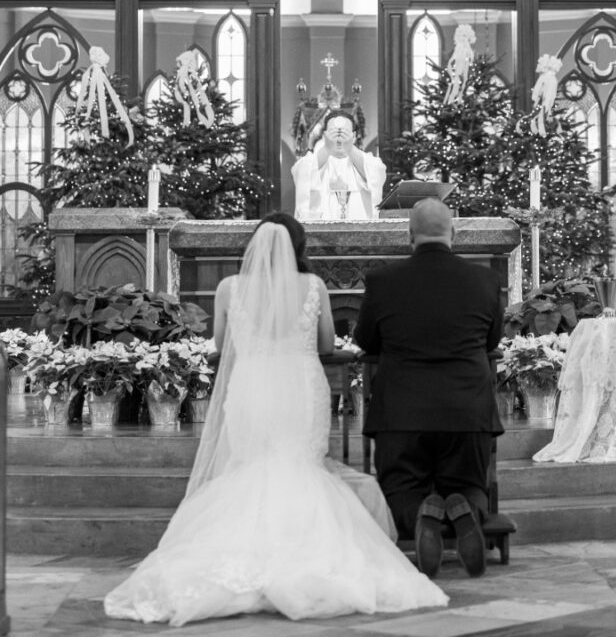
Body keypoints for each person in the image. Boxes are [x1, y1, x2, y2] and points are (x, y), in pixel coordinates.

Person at [104, 212, 446, 625]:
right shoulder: (314, 286)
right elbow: (324, 342)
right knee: (300, 466)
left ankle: (241, 562)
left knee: (252, 465)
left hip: (251, 385)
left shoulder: (230, 287)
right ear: (298, 247)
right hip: (301, 385)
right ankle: (308, 557)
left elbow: (220, 342)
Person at [354, 197, 504, 580]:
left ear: (409, 234)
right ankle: (466, 511)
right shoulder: (485, 280)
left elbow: (367, 341)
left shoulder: (382, 280)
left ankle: (421, 513)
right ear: (453, 232)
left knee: (400, 489)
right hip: (467, 408)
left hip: (402, 411)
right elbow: (492, 340)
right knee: (471, 484)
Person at [292, 110, 386, 221]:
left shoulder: (367, 161)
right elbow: (302, 171)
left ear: (354, 136)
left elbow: (376, 172)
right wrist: (327, 147)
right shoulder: (312, 161)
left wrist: (350, 147)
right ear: (324, 136)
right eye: (333, 132)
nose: (339, 137)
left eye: (346, 133)